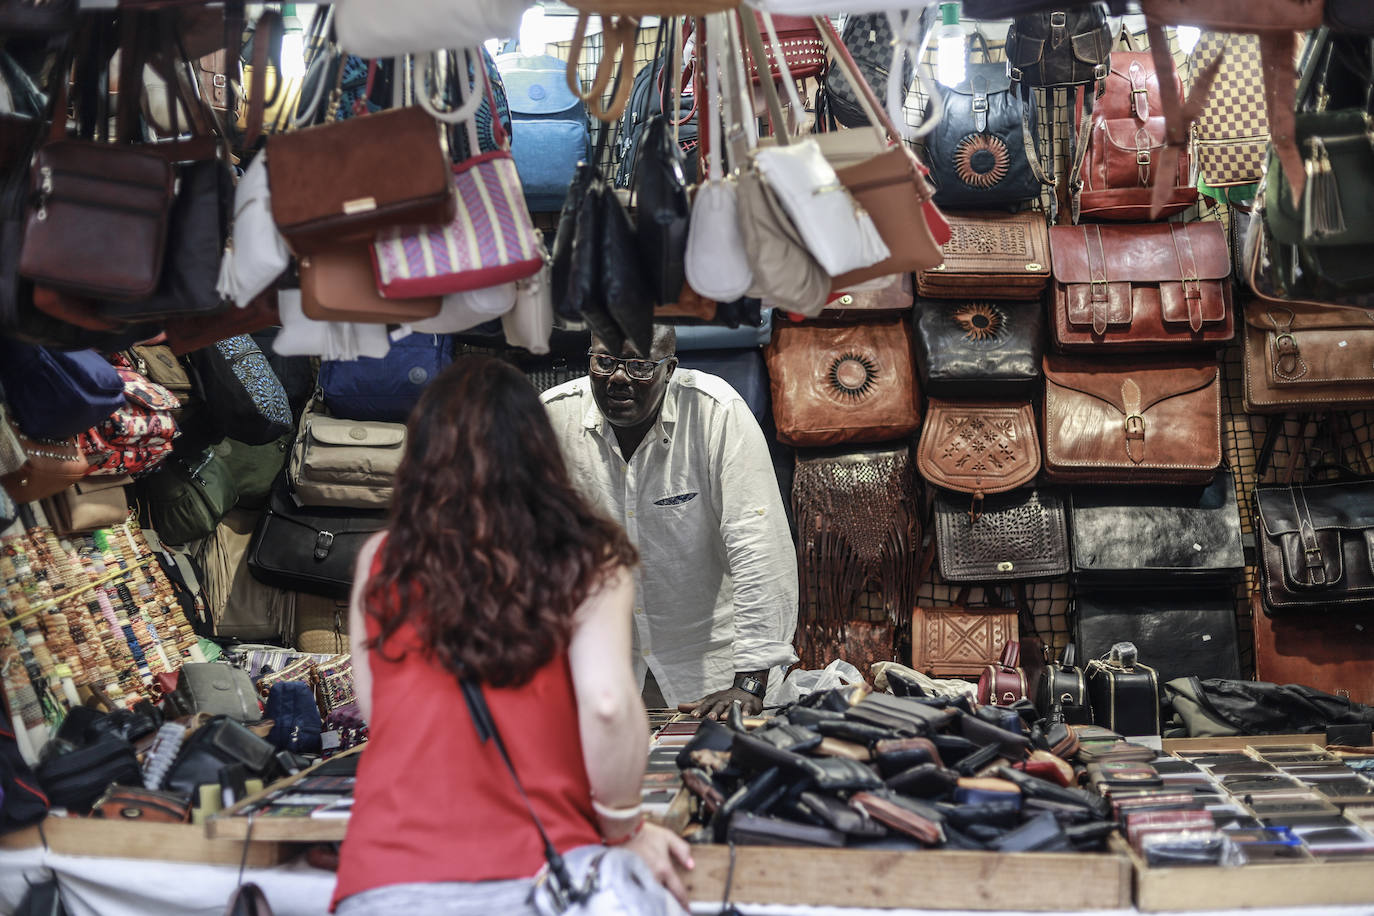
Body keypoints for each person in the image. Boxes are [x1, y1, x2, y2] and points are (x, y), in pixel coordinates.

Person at [332, 356, 692, 915]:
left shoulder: (381, 559)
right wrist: (624, 828)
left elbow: (378, 714)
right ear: (539, 450)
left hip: (386, 874)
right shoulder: (586, 557)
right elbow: (606, 705)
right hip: (535, 875)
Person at [542, 326, 799, 720]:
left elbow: (759, 548)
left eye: (640, 365)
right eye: (604, 362)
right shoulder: (552, 418)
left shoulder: (716, 413)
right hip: (599, 670)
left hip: (714, 670)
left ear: (670, 369)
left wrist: (749, 681)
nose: (619, 378)